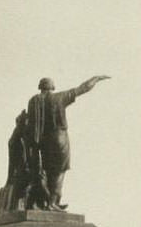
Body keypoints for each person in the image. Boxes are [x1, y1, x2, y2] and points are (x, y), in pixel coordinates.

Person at [25, 75, 109, 210]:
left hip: (42, 141)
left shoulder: (33, 101)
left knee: (47, 170)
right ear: (52, 87)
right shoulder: (59, 97)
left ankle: (47, 201)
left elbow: (30, 124)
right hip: (59, 137)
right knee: (60, 170)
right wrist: (96, 79)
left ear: (40, 87)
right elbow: (83, 88)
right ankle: (53, 201)